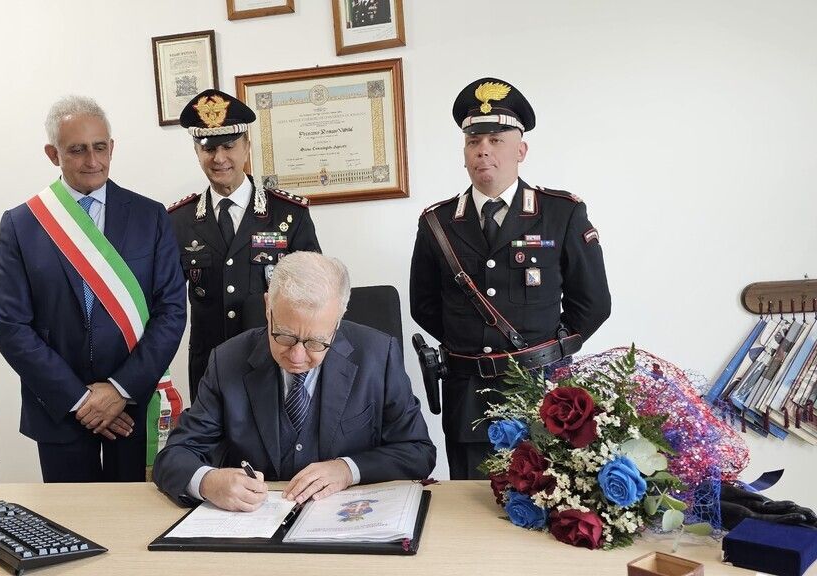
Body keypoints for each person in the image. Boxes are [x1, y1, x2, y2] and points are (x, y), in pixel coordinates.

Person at [409, 78, 611, 480]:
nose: (483, 149)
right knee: (472, 500)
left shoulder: (561, 213)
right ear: (464, 153)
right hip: (469, 395)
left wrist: (547, 348)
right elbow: (424, 304)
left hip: (544, 392)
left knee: (548, 495)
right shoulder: (438, 222)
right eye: (473, 141)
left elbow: (593, 304)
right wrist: (470, 342)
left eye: (496, 139)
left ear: (521, 150)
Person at [0, 95, 186, 482]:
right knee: (70, 517)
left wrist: (119, 390)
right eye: (77, 150)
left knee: (135, 515)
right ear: (53, 154)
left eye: (100, 148)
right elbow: (11, 326)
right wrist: (80, 399)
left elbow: (171, 311)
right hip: (59, 409)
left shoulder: (150, 216)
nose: (92, 161)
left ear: (112, 147)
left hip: (132, 405)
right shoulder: (22, 224)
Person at [154, 252, 435, 511]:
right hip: (255, 525)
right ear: (268, 307)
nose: (297, 356)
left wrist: (348, 470)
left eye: (316, 342)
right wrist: (207, 482)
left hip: (346, 521)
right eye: (285, 336)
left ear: (338, 321)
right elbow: (174, 456)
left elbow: (418, 452)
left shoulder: (378, 356)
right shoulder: (227, 361)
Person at [168, 89, 321, 402]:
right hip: (209, 368)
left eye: (229, 146)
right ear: (196, 151)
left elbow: (313, 296)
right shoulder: (178, 221)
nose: (219, 158)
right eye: (209, 148)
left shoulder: (289, 215)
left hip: (273, 364)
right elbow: (165, 302)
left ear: (247, 146)